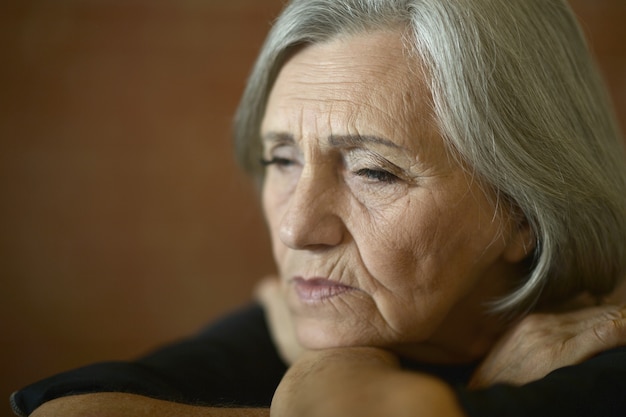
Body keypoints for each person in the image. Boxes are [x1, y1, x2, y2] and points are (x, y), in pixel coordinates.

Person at [11, 0, 626, 416]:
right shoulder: (331, 312)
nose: (296, 226)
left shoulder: (600, 368)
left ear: (521, 209)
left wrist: (323, 380)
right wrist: (350, 367)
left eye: (374, 171)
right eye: (282, 160)